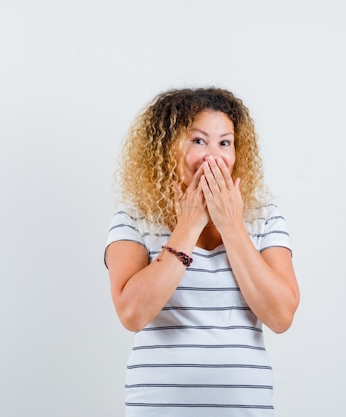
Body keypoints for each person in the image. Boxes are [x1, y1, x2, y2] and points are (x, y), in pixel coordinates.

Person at [104, 87, 300, 416]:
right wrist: (189, 226)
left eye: (225, 142)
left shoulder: (264, 218)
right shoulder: (134, 219)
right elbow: (131, 314)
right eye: (198, 141)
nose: (214, 157)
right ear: (168, 148)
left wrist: (232, 227)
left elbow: (281, 316)